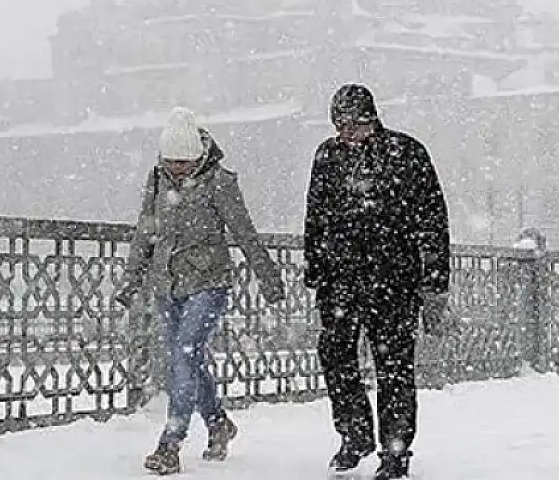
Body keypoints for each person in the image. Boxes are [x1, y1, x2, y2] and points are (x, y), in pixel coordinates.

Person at [117, 107, 286, 475]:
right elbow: (145, 232)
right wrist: (132, 279)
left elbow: (244, 232)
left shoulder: (219, 182)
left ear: (198, 157)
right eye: (171, 161)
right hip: (168, 284)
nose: (177, 169)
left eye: (184, 162)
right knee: (188, 361)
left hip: (209, 283)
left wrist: (269, 278)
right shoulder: (158, 180)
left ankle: (170, 443)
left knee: (184, 354)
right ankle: (218, 422)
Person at [305, 84, 452, 480]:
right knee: (336, 356)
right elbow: (316, 214)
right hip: (340, 279)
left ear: (370, 118)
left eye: (352, 123)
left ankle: (395, 450)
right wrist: (315, 266)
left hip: (394, 279)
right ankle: (354, 435)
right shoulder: (328, 156)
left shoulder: (406, 153)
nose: (345, 132)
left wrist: (435, 279)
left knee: (395, 367)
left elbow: (432, 218)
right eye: (339, 124)